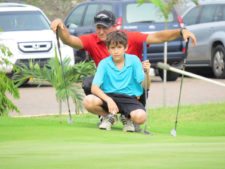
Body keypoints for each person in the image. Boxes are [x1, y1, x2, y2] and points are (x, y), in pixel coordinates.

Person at [51, 10, 197, 130]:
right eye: (98, 27)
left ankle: (127, 116)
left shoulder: (129, 38)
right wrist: (61, 26)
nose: (101, 31)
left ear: (114, 26)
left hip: (132, 89)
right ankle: (108, 115)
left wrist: (180, 31)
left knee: (140, 108)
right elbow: (69, 40)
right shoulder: (92, 40)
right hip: (108, 89)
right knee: (89, 83)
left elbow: (157, 37)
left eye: (105, 27)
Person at [86, 30, 150, 131]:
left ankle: (127, 117)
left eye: (119, 47)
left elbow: (146, 86)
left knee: (141, 117)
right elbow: (94, 88)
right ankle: (109, 117)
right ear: (108, 49)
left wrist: (147, 73)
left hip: (129, 98)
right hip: (109, 96)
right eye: (112, 48)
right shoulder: (103, 63)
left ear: (126, 48)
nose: (116, 51)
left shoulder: (134, 60)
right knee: (88, 101)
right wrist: (108, 100)